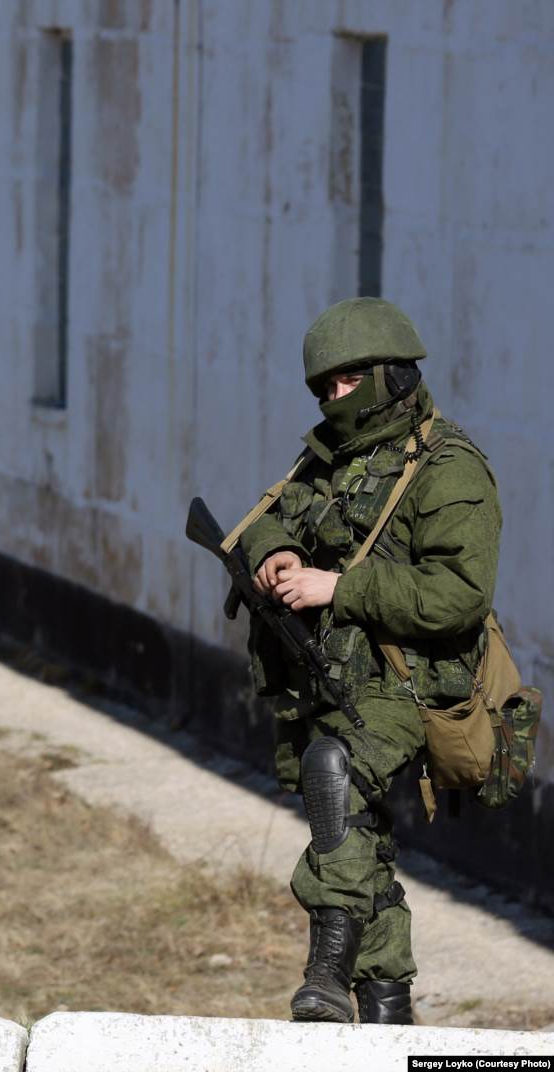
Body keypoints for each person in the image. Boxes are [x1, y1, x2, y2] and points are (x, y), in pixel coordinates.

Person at [233, 297, 501, 1025]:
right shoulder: (332, 455)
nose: (335, 397)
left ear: (392, 376)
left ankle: (325, 972)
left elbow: (459, 595)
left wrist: (338, 588)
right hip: (336, 678)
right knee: (359, 840)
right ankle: (387, 1013)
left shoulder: (449, 469)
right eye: (324, 387)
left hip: (416, 685)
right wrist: (276, 553)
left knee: (336, 773)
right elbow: (266, 519)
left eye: (348, 381)